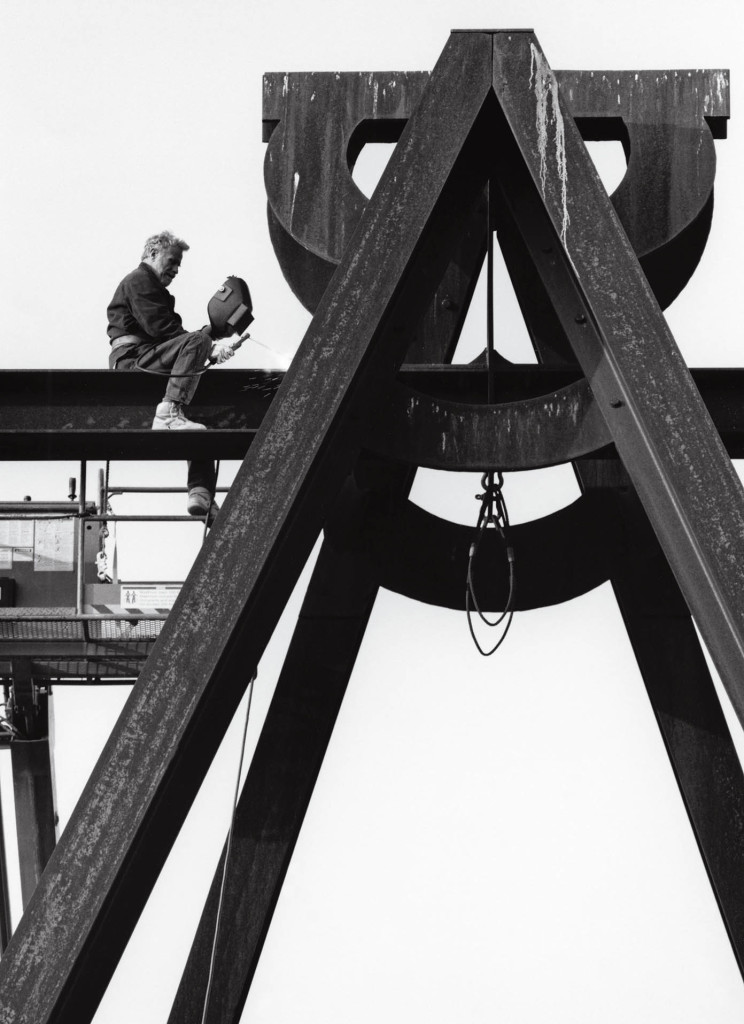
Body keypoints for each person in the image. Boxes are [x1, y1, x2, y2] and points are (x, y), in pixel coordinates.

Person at [106, 231, 245, 523]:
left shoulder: (155, 289)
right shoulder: (139, 280)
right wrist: (206, 345)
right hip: (134, 361)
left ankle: (200, 493)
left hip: (152, 357)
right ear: (152, 253)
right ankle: (168, 412)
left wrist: (215, 339)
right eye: (173, 261)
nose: (176, 269)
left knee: (198, 428)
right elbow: (162, 329)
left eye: (179, 265)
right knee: (195, 345)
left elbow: (175, 340)